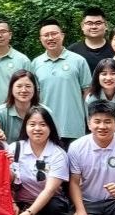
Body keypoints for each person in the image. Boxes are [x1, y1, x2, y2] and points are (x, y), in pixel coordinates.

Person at [9, 105, 76, 215]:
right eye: (32, 124)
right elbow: (5, 182)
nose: (37, 129)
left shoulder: (58, 153)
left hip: (50, 201)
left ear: (50, 128)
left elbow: (50, 189)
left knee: (54, 208)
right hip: (23, 202)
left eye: (43, 124)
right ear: (25, 127)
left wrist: (30, 212)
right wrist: (12, 203)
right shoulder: (15, 149)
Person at [31, 18, 92, 147]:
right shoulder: (36, 63)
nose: (50, 38)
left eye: (54, 34)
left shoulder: (78, 61)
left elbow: (87, 93)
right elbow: (34, 97)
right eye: (46, 35)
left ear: (62, 36)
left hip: (73, 127)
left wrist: (90, 120)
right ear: (40, 39)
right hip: (46, 127)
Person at [0, 18, 33, 111]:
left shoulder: (22, 60)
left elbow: (32, 89)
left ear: (10, 35)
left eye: (3, 31)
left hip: (15, 111)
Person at [0, 70, 41, 144]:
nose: (24, 90)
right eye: (19, 86)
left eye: (28, 86)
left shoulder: (45, 112)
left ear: (34, 88)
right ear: (11, 88)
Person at [68, 7, 114, 71]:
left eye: (98, 23)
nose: (94, 27)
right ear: (82, 26)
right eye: (89, 23)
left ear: (106, 26)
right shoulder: (72, 51)